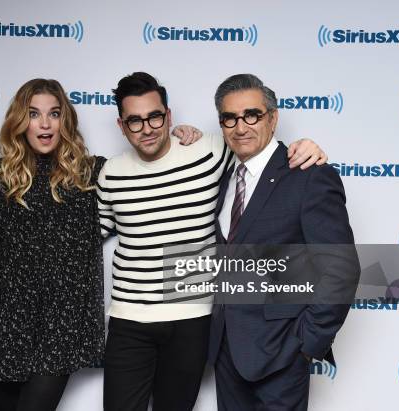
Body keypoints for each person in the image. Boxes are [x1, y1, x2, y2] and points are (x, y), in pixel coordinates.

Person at [0, 78, 201, 411]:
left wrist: (182, 136)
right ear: (20, 121)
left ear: (66, 120)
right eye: (33, 114)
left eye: (54, 113)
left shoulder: (91, 173)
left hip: (63, 323)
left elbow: (147, 166)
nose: (45, 123)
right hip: (5, 320)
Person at [97, 72, 327, 411]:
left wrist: (306, 145)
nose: (147, 128)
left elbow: (262, 153)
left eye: (155, 117)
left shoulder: (211, 150)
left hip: (193, 316)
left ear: (169, 115)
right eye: (134, 121)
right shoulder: (111, 173)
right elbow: (87, 235)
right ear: (121, 125)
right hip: (129, 320)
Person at [207, 74, 360, 411]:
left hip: (281, 354)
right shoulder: (224, 178)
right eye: (229, 118)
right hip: (227, 351)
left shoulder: (308, 175)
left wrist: (307, 343)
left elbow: (340, 269)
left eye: (252, 115)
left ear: (273, 119)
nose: (240, 126)